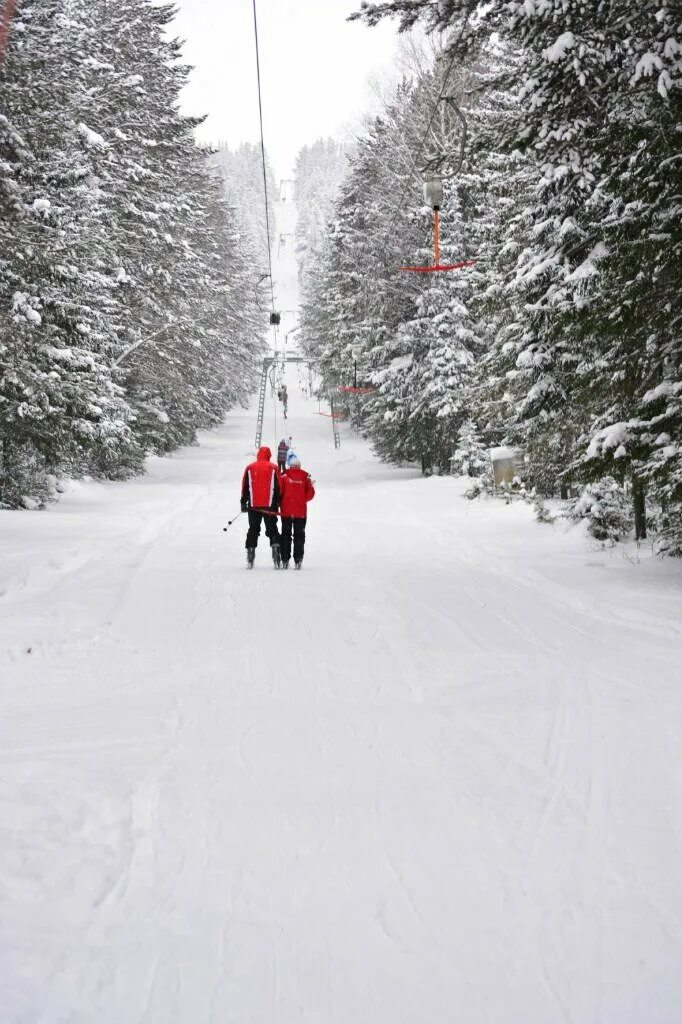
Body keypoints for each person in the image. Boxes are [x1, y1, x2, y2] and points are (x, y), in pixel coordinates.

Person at [240, 446, 282, 568]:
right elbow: (279, 487)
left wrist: (243, 502)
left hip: (254, 506)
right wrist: (278, 501)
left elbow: (245, 487)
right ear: (268, 455)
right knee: (272, 529)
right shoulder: (273, 468)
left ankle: (251, 553)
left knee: (253, 529)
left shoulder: (250, 468)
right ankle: (275, 549)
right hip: (270, 505)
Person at [279, 455, 315, 569]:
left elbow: (278, 492)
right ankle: (298, 559)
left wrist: (282, 502)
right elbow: (310, 494)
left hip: (286, 512)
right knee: (299, 536)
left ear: (290, 466)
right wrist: (301, 499)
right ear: (299, 466)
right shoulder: (305, 477)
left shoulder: (284, 475)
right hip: (300, 513)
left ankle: (284, 559)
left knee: (285, 535)